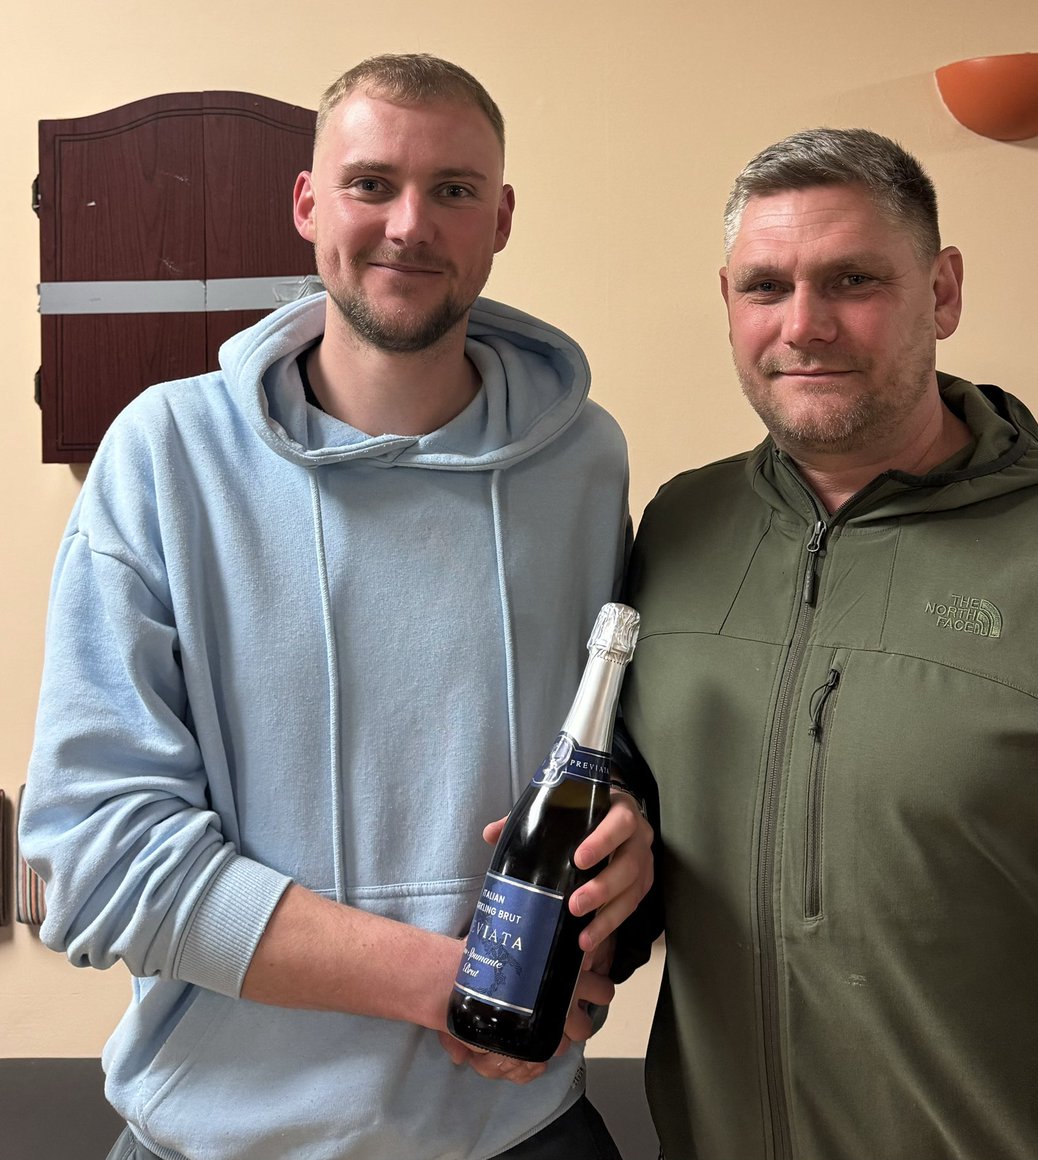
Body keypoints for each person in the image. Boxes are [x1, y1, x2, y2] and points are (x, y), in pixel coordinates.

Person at [21, 53, 652, 1160]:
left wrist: (628, 862)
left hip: (518, 1126)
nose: (410, 224)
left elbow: (610, 761)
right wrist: (448, 984)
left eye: (454, 189)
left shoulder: (585, 463)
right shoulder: (165, 456)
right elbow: (95, 859)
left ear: (499, 217)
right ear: (309, 203)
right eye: (372, 184)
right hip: (217, 1133)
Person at [620, 127, 1038, 1159]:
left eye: (852, 279)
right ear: (729, 303)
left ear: (942, 291)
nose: (805, 324)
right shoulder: (678, 532)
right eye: (765, 287)